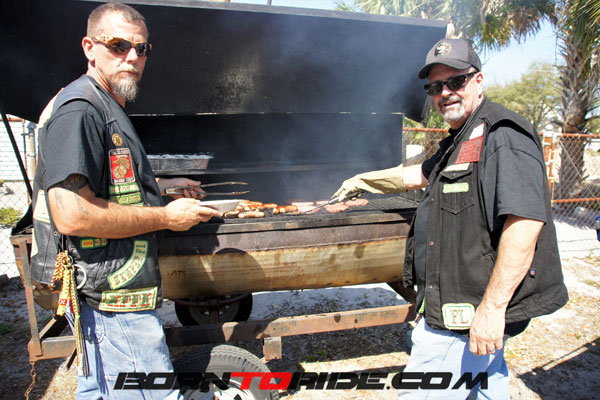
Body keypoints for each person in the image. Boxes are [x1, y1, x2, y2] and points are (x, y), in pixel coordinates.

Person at [333, 38, 568, 399]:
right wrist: (362, 180)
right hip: (466, 301)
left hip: (467, 307)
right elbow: (418, 174)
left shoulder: (503, 135)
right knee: (486, 382)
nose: (445, 93)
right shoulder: (461, 138)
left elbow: (524, 225)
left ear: (478, 80)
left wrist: (492, 310)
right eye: (435, 87)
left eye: (455, 81)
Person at [29, 3, 220, 399]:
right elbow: (71, 214)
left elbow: (106, 181)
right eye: (118, 45)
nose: (132, 57)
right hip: (110, 297)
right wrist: (166, 217)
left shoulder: (103, 102)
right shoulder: (81, 110)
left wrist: (160, 185)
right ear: (89, 47)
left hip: (106, 290)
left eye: (141, 48)